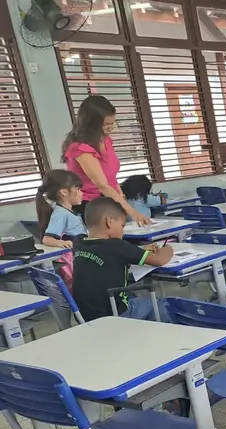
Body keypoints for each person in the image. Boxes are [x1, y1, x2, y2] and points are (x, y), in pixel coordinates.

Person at [72, 197, 173, 322]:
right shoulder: (116, 246)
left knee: (133, 295)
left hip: (85, 316)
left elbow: (107, 255)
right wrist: (168, 249)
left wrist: (140, 249)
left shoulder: (79, 242)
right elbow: (160, 260)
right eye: (122, 226)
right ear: (109, 221)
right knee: (160, 303)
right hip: (113, 313)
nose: (123, 231)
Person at [62, 95, 149, 225]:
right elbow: (102, 185)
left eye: (112, 123)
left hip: (107, 200)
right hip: (88, 206)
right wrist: (132, 212)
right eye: (105, 124)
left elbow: (110, 176)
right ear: (91, 124)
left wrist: (119, 192)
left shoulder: (105, 140)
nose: (111, 128)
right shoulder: (81, 148)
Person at [37, 170, 86, 249]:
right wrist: (61, 242)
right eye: (78, 189)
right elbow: (47, 239)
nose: (82, 193)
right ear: (64, 192)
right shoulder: (60, 214)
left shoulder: (68, 212)